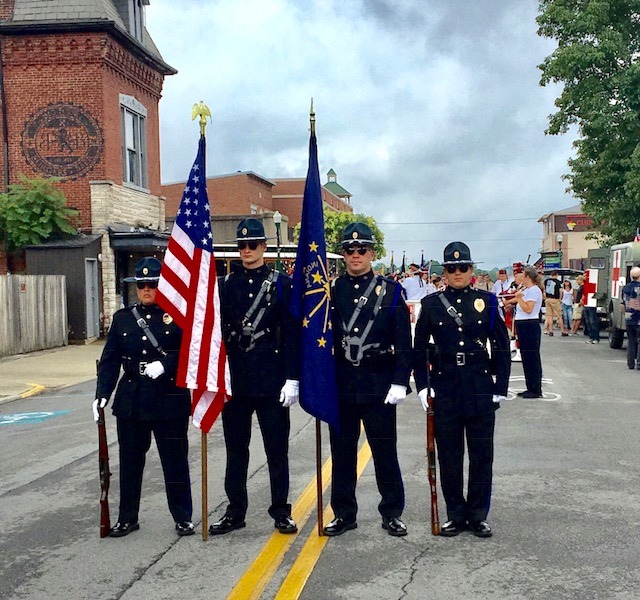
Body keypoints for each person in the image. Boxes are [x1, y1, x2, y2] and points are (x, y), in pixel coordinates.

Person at [413, 242, 510, 538]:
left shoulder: (488, 302)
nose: (458, 273)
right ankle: (455, 514)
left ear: (472, 270)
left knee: (482, 455)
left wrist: (500, 386)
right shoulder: (431, 304)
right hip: (446, 387)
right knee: (450, 456)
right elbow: (418, 349)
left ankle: (478, 514)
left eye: (463, 267)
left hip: (480, 386)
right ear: (445, 271)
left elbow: (502, 347)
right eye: (452, 268)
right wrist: (422, 386)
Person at [209, 218, 299, 536]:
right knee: (236, 450)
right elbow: (214, 335)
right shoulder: (224, 286)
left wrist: (292, 378)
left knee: (276, 449)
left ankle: (281, 511)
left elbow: (291, 335)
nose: (246, 251)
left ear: (264, 247)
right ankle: (236, 511)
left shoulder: (281, 285)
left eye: (252, 245)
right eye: (241, 246)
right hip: (236, 380)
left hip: (272, 378)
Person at [93, 257, 195, 538]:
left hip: (168, 397)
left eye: (152, 284)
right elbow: (110, 360)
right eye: (142, 285)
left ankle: (183, 516)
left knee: (174, 460)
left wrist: (167, 364)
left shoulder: (178, 316)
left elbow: (190, 350)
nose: (147, 290)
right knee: (129, 463)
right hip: (132, 398)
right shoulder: (123, 318)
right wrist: (101, 394)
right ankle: (127, 518)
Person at [324, 222, 412, 537]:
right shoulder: (331, 291)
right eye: (349, 249)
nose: (356, 255)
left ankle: (392, 512)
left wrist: (401, 381)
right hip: (343, 384)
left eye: (362, 249)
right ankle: (344, 513)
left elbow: (404, 341)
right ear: (343, 254)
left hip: (379, 383)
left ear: (371, 253)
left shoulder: (390, 291)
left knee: (385, 452)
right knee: (343, 454)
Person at [513, 267, 544, 398]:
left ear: (528, 278)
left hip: (529, 324)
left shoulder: (534, 291)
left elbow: (529, 309)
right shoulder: (527, 290)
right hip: (523, 324)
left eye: (523, 277)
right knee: (526, 357)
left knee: (532, 357)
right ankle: (529, 386)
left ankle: (536, 389)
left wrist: (519, 298)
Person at [621, 266, 640, 369]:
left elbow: (622, 305)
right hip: (639, 318)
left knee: (631, 341)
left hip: (629, 318)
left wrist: (626, 315)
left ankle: (630, 363)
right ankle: (639, 363)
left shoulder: (626, 288)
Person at [543, 271, 562, 335]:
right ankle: (563, 330)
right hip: (555, 299)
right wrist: (560, 299)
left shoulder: (546, 281)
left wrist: (545, 298)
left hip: (548, 299)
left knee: (549, 316)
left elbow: (544, 290)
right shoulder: (558, 282)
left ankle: (550, 331)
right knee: (559, 315)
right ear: (556, 275)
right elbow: (561, 291)